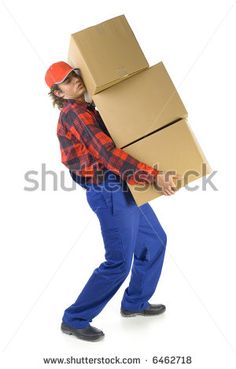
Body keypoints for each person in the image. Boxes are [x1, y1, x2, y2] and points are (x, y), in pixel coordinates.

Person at [45, 61, 178, 342]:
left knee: (155, 241)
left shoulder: (89, 108)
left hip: (121, 183)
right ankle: (75, 318)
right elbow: (108, 155)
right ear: (58, 93)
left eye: (73, 75)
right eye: (65, 82)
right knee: (118, 262)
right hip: (108, 191)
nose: (74, 81)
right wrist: (154, 176)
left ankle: (134, 302)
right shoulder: (75, 114)